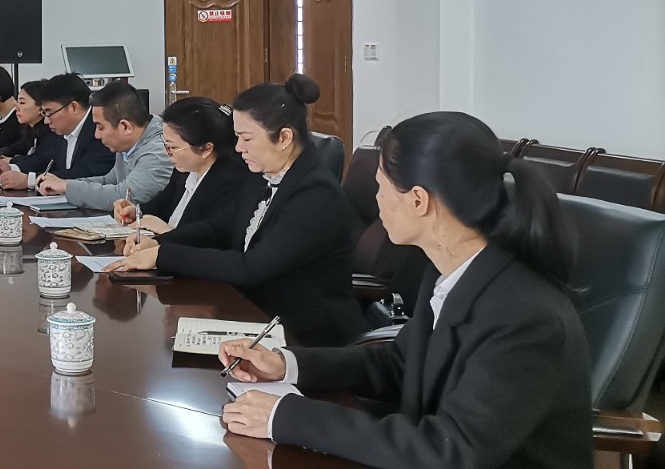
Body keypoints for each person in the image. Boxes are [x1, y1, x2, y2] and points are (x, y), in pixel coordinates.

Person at [217, 111, 591, 468]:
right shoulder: (450, 272)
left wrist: (288, 416)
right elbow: (398, 364)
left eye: (381, 186)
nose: (376, 199)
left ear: (418, 200)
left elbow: (454, 452)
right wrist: (288, 364)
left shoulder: (524, 316)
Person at [106, 74, 365, 347]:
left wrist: (164, 255)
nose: (238, 148)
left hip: (306, 334)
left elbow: (251, 267)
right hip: (256, 311)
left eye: (246, 138)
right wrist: (158, 243)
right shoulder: (263, 176)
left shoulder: (316, 195)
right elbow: (218, 228)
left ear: (284, 137)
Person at [111, 96, 249, 235]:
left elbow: (210, 240)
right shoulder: (185, 170)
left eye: (173, 147)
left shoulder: (230, 185)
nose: (166, 152)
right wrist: (136, 212)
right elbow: (160, 206)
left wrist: (166, 231)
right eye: (166, 144)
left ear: (206, 148)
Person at [35, 81, 172, 210]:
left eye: (100, 127)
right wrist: (63, 184)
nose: (97, 135)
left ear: (125, 127)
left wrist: (66, 186)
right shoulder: (127, 145)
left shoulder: (158, 151)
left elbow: (123, 196)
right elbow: (109, 180)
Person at [0, 73, 114, 190]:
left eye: (49, 113)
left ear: (73, 107)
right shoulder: (63, 130)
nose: (46, 121)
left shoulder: (99, 130)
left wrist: (30, 181)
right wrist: (12, 168)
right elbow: (44, 159)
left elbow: (86, 174)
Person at [0, 79, 54, 167]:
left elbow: (39, 160)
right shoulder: (30, 130)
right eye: (17, 102)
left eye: (22, 102)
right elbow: (19, 146)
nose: (16, 108)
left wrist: (11, 160)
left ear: (41, 107)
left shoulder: (50, 131)